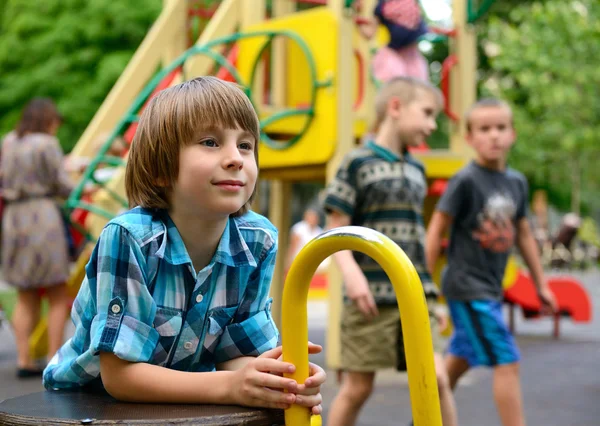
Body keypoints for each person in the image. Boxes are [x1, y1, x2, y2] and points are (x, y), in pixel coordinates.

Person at [43, 77, 326, 413]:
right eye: (210, 142)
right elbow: (119, 377)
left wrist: (278, 380)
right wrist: (230, 385)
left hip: (188, 394)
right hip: (89, 402)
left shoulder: (258, 240)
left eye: (246, 145)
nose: (235, 158)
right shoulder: (129, 238)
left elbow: (236, 356)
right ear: (161, 168)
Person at [324, 77, 457, 426]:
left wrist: (432, 296)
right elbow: (335, 228)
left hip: (414, 295)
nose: (431, 125)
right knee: (358, 388)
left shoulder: (417, 168)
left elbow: (414, 238)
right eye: (427, 113)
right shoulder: (357, 162)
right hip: (370, 296)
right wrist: (351, 276)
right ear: (395, 108)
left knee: (438, 380)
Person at [425, 98, 557, 426]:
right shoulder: (466, 180)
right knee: (507, 360)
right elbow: (437, 226)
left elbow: (524, 233)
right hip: (467, 287)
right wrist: (424, 282)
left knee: (459, 359)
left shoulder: (517, 182)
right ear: (470, 138)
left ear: (512, 133)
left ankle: (423, 418)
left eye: (501, 128)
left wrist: (541, 284)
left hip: (490, 286)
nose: (494, 135)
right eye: (484, 129)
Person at [1, 98, 75, 378]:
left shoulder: (9, 141)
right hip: (42, 217)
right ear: (48, 120)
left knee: (26, 295)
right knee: (57, 292)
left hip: (14, 218)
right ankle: (55, 358)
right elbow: (61, 183)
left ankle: (23, 359)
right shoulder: (46, 144)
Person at [358, 0, 429, 83]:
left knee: (417, 83)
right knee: (395, 77)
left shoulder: (410, 3)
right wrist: (358, 19)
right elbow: (370, 32)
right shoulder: (381, 7)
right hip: (396, 51)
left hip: (411, 53)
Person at [286, 206, 330, 274]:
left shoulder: (319, 231)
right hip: (299, 261)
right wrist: (289, 263)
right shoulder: (298, 229)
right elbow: (293, 247)